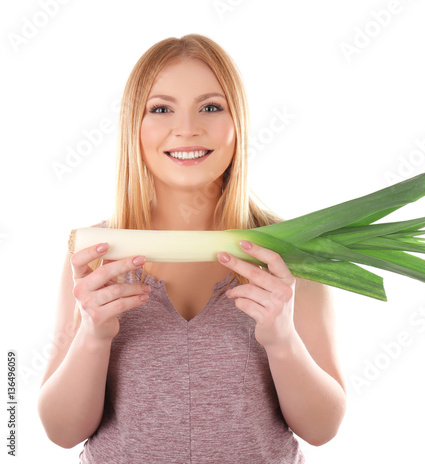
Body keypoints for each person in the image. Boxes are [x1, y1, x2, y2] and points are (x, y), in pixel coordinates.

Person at [37, 34, 347, 463]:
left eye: (211, 107)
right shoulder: (97, 256)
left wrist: (281, 339)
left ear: (237, 122)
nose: (187, 128)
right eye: (161, 108)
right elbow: (61, 431)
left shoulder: (287, 254)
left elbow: (323, 428)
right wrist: (94, 337)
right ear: (134, 127)